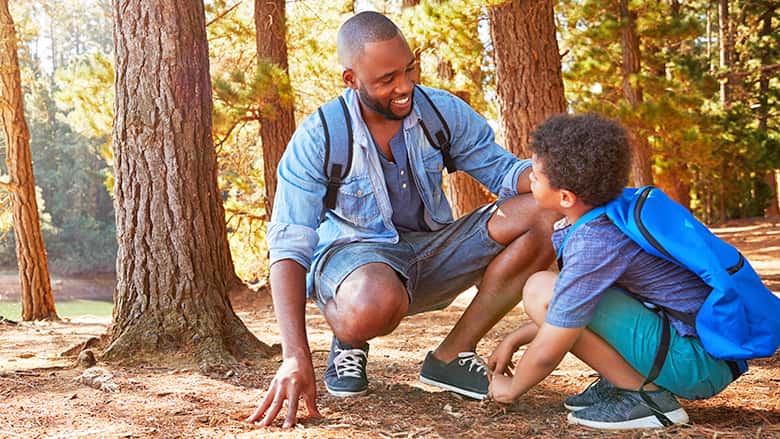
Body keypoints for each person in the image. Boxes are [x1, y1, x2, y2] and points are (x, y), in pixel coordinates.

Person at [246, 11, 558, 428]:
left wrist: (552, 174)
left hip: (431, 251)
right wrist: (294, 357)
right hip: (356, 264)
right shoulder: (320, 135)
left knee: (546, 209)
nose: (405, 86)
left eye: (409, 69)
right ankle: (349, 339)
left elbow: (503, 173)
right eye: (387, 79)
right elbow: (288, 246)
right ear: (351, 79)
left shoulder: (440, 112)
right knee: (372, 302)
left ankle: (451, 356)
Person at [487, 113, 740, 429]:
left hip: (696, 363)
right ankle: (625, 379)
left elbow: (554, 341)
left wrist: (511, 389)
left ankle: (646, 398)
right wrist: (516, 337)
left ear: (566, 197)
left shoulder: (595, 240)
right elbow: (581, 306)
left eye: (535, 176)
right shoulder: (606, 213)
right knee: (549, 291)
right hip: (695, 352)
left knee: (540, 289)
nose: (530, 179)